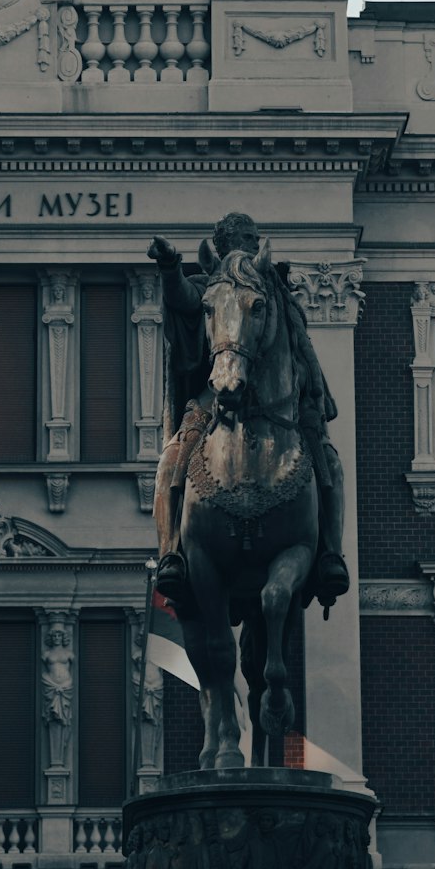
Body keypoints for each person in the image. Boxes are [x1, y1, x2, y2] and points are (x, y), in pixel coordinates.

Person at [147, 211, 349, 611]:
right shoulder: (214, 285)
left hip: (283, 403)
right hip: (218, 391)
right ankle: (171, 548)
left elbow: (299, 346)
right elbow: (184, 299)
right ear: (222, 247)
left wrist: (310, 389)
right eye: (240, 239)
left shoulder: (276, 290)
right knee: (172, 456)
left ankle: (330, 552)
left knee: (328, 459)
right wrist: (171, 267)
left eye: (252, 239)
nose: (248, 245)